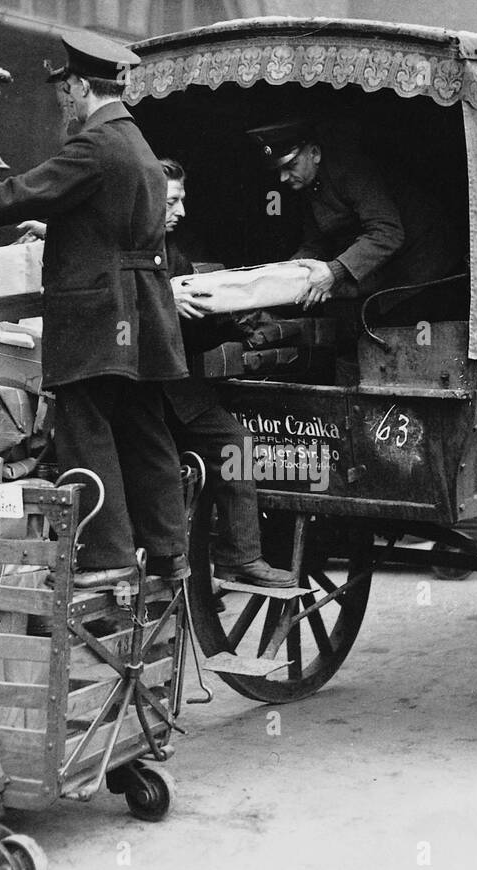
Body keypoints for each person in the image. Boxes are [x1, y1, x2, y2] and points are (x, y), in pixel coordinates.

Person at [0, 29, 188, 591]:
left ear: (79, 87)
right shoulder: (137, 146)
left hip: (99, 317)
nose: (64, 103)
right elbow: (119, 226)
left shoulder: (95, 146)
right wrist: (63, 230)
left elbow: (18, 191)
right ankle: (171, 551)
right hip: (140, 315)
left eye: (65, 91)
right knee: (143, 428)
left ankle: (108, 558)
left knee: (85, 427)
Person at [157, 158, 295, 589]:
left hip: (173, 387)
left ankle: (228, 558)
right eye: (172, 202)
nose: (180, 212)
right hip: (150, 392)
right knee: (235, 445)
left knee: (230, 448)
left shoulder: (169, 249)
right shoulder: (137, 250)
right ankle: (236, 557)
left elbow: (190, 332)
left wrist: (232, 321)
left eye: (182, 201)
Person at [246, 120, 466, 322]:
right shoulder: (307, 183)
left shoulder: (349, 169)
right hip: (389, 268)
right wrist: (287, 272)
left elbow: (387, 232)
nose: (283, 178)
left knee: (400, 332)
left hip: (424, 262)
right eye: (280, 170)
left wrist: (334, 271)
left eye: (290, 166)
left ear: (314, 153)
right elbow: (317, 243)